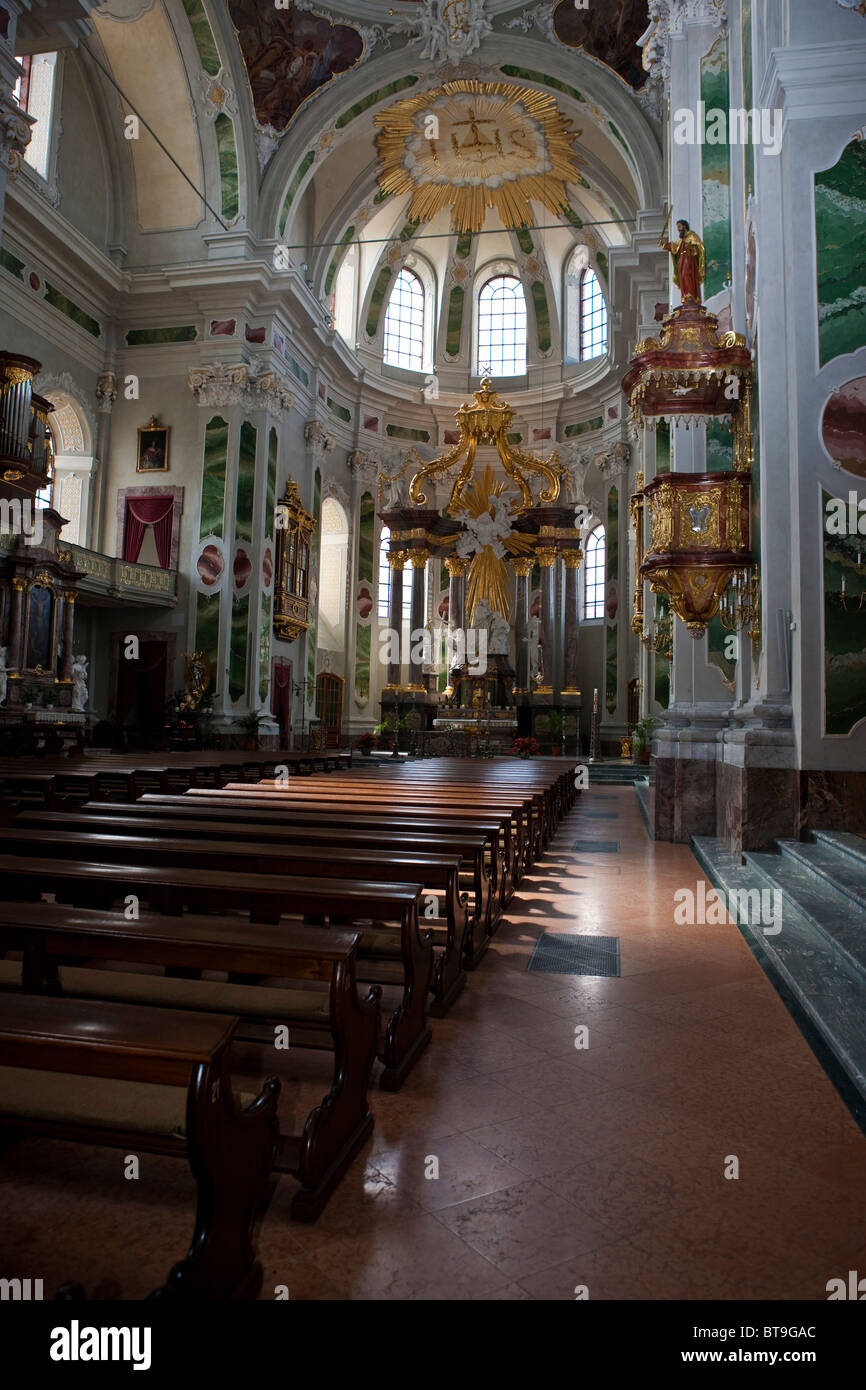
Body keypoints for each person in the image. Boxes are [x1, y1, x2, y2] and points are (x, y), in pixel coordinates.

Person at [659, 219, 706, 303]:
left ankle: (691, 296)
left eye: (679, 226)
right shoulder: (681, 240)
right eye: (677, 227)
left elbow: (698, 249)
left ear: (684, 226)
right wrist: (664, 244)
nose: (678, 229)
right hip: (682, 260)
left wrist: (691, 248)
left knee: (687, 275)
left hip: (689, 260)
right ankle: (685, 295)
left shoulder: (692, 236)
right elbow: (674, 247)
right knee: (682, 277)